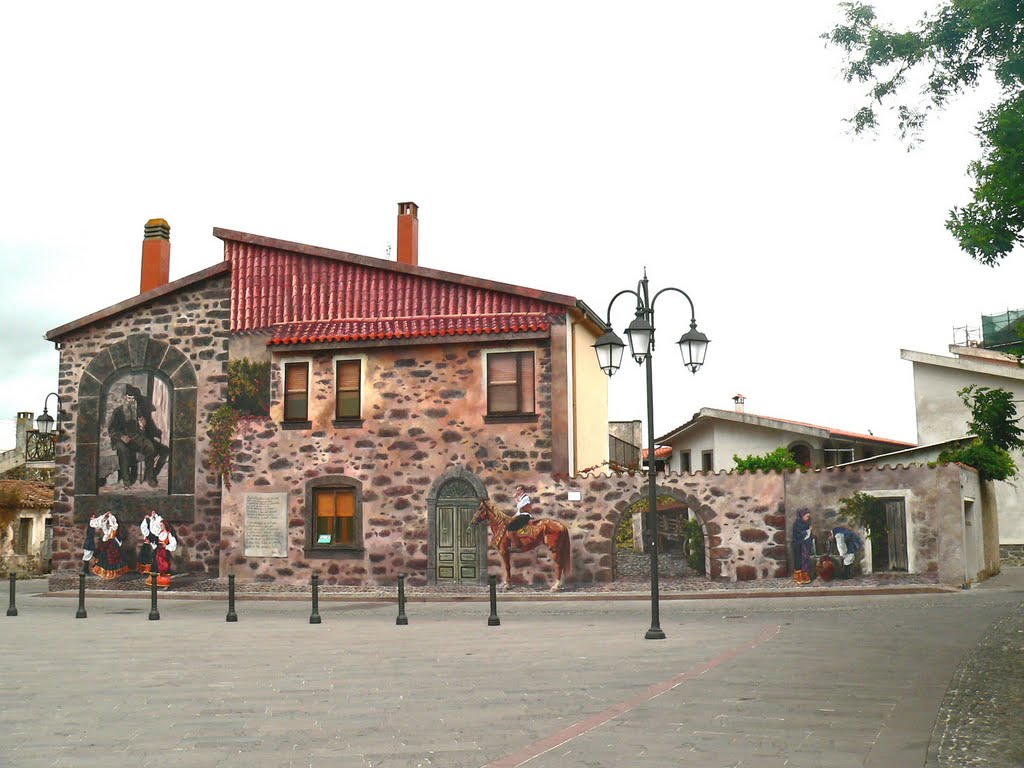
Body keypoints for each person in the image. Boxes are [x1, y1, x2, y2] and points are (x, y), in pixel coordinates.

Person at [108, 384, 169, 488]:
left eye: (133, 398)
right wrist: (122, 437)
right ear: (124, 398)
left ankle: (149, 476)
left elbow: (143, 429)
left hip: (136, 437)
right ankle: (126, 480)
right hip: (121, 439)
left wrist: (142, 426)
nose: (131, 400)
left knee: (149, 446)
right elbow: (112, 430)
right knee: (122, 450)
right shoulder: (118, 412)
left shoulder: (138, 410)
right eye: (129, 398)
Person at [89, 511, 130, 579]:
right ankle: (105, 572)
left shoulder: (114, 527)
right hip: (107, 543)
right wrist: (104, 516)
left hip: (112, 543)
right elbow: (96, 524)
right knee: (104, 557)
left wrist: (110, 518)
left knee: (112, 558)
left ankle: (113, 573)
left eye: (109, 520)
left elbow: (114, 526)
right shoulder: (105, 524)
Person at [507, 485, 533, 551]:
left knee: (510, 527)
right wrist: (513, 517)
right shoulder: (521, 498)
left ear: (522, 490)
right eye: (517, 490)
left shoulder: (526, 498)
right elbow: (519, 511)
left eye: (518, 490)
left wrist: (515, 498)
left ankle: (516, 546)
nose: (517, 492)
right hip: (521, 515)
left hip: (525, 516)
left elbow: (520, 506)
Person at [791, 510, 814, 584]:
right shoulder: (797, 524)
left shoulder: (806, 524)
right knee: (798, 560)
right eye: (807, 516)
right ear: (802, 516)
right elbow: (798, 535)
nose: (808, 518)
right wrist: (807, 531)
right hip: (798, 544)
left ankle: (805, 576)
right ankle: (798, 576)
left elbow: (808, 535)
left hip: (805, 545)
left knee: (805, 560)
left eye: (808, 516)